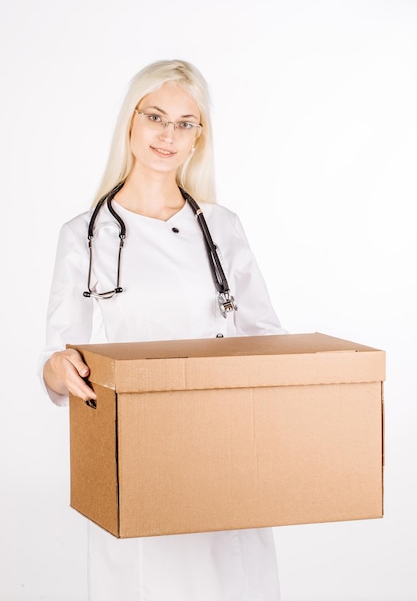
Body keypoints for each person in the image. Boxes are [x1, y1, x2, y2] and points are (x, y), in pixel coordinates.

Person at [39, 59, 287, 601]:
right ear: (130, 122)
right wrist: (58, 370)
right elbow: (60, 363)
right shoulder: (84, 236)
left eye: (185, 123)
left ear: (199, 139)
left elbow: (267, 340)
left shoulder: (221, 227)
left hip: (226, 441)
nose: (168, 134)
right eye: (156, 116)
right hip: (139, 445)